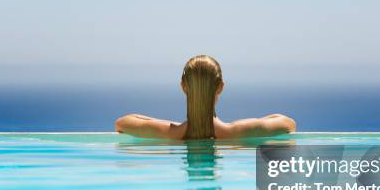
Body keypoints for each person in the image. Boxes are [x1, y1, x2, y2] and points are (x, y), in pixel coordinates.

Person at [115, 55, 296, 139]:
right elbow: (288, 124)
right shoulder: (238, 132)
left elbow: (122, 123)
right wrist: (255, 123)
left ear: (183, 87)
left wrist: (158, 122)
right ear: (221, 87)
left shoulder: (169, 133)